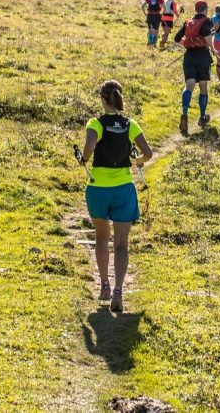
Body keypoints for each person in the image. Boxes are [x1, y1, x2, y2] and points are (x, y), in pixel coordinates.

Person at [77, 80, 153, 313]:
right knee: (121, 244)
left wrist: (84, 159)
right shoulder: (130, 124)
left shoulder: (96, 123)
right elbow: (148, 153)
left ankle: (104, 286)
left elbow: (89, 147)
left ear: (102, 98)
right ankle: (119, 291)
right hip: (123, 189)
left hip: (98, 188)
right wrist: (137, 162)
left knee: (102, 238)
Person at [173, 0, 218, 135]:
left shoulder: (188, 22)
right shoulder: (207, 21)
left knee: (189, 85)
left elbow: (177, 38)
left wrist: (186, 44)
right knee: (203, 86)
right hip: (202, 56)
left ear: (195, 9)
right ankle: (203, 116)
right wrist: (215, 52)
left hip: (189, 56)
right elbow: (208, 38)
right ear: (205, 10)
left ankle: (185, 113)